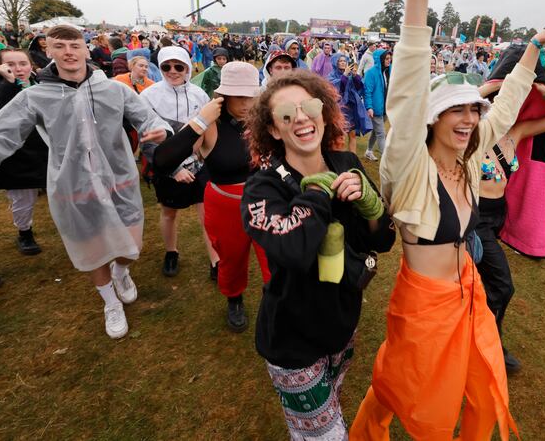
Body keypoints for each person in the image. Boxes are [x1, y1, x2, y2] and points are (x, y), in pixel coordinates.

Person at [350, 0, 545, 438]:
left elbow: (506, 106)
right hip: (423, 306)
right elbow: (405, 96)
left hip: (468, 293)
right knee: (415, 400)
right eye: (456, 110)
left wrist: (532, 49)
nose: (469, 118)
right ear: (433, 119)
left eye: (472, 110)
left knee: (480, 389)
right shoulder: (409, 167)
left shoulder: (470, 158)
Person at [239, 70, 394, 437]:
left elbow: (383, 240)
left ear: (323, 114)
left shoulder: (347, 164)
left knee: (325, 407)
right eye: (286, 114)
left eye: (309, 107)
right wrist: (317, 192)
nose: (301, 118)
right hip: (292, 340)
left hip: (341, 326)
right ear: (274, 130)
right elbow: (294, 249)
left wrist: (370, 206)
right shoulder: (263, 188)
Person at [0, 25, 170, 339]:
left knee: (132, 247)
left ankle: (121, 272)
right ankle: (110, 303)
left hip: (119, 180)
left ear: (85, 49)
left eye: (74, 45)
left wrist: (159, 130)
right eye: (59, 46)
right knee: (92, 251)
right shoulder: (35, 97)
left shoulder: (114, 90)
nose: (68, 52)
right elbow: (2, 133)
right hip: (72, 187)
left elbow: (146, 116)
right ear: (48, 51)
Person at [154, 62, 273, 331]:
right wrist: (199, 121)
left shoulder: (263, 121)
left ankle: (275, 302)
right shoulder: (211, 124)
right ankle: (234, 299)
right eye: (238, 96)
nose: (246, 103)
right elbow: (163, 160)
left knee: (274, 257)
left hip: (266, 201)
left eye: (251, 96)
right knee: (231, 258)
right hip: (226, 204)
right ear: (224, 96)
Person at [477, 48, 545, 374]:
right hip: (473, 219)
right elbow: (452, 106)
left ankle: (482, 336)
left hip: (497, 216)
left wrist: (543, 90)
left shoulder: (514, 133)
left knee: (480, 283)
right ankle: (489, 343)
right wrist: (494, 84)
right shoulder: (474, 130)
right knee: (502, 286)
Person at [140, 46, 214, 278]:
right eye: (166, 66)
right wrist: (174, 169)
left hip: (199, 165)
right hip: (167, 166)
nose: (173, 71)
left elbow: (208, 128)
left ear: (187, 68)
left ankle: (216, 260)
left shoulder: (199, 95)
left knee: (207, 214)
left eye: (179, 66)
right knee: (169, 212)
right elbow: (147, 140)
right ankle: (171, 252)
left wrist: (204, 156)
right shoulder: (148, 97)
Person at [0, 48, 48, 255]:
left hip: (46, 150)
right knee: (23, 199)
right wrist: (9, 84)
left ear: (31, 65)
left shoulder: (42, 84)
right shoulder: (1, 88)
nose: (18, 69)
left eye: (23, 63)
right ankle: (25, 233)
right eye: (10, 64)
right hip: (17, 156)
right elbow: (2, 116)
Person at [328, 52, 369, 153]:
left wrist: (355, 76)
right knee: (339, 135)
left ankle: (353, 157)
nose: (343, 63)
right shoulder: (332, 75)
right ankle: (338, 157)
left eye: (344, 61)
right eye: (340, 61)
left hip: (351, 108)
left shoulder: (350, 74)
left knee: (352, 134)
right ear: (336, 62)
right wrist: (344, 76)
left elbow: (359, 87)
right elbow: (336, 88)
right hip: (339, 109)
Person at [362, 48, 391, 161]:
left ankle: (368, 151)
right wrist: (369, 107)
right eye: (387, 59)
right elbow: (367, 92)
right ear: (380, 59)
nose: (389, 61)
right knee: (381, 133)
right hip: (376, 108)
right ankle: (386, 160)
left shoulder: (389, 71)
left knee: (376, 131)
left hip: (385, 108)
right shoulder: (371, 73)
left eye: (390, 58)